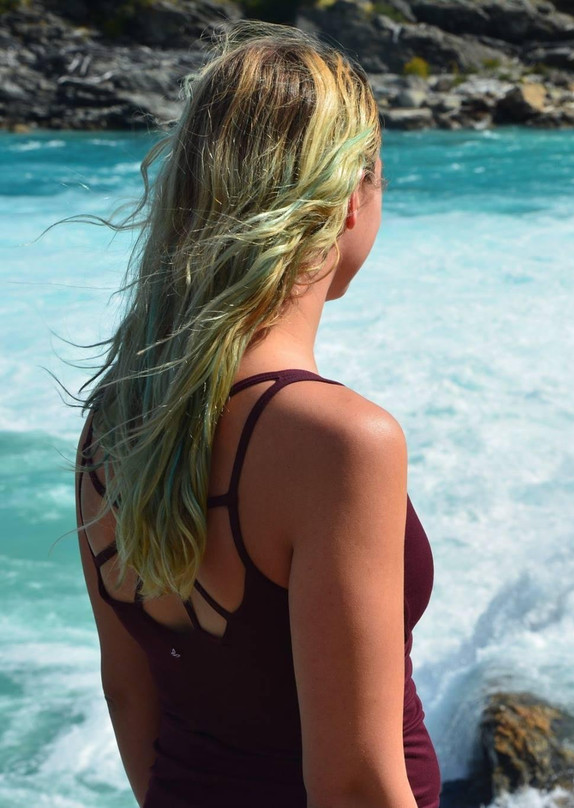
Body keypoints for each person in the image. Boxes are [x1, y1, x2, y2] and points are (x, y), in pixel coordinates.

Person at [72, 20, 440, 808]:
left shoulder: (117, 419)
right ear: (348, 201)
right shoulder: (342, 442)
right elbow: (353, 786)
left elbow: (130, 695)